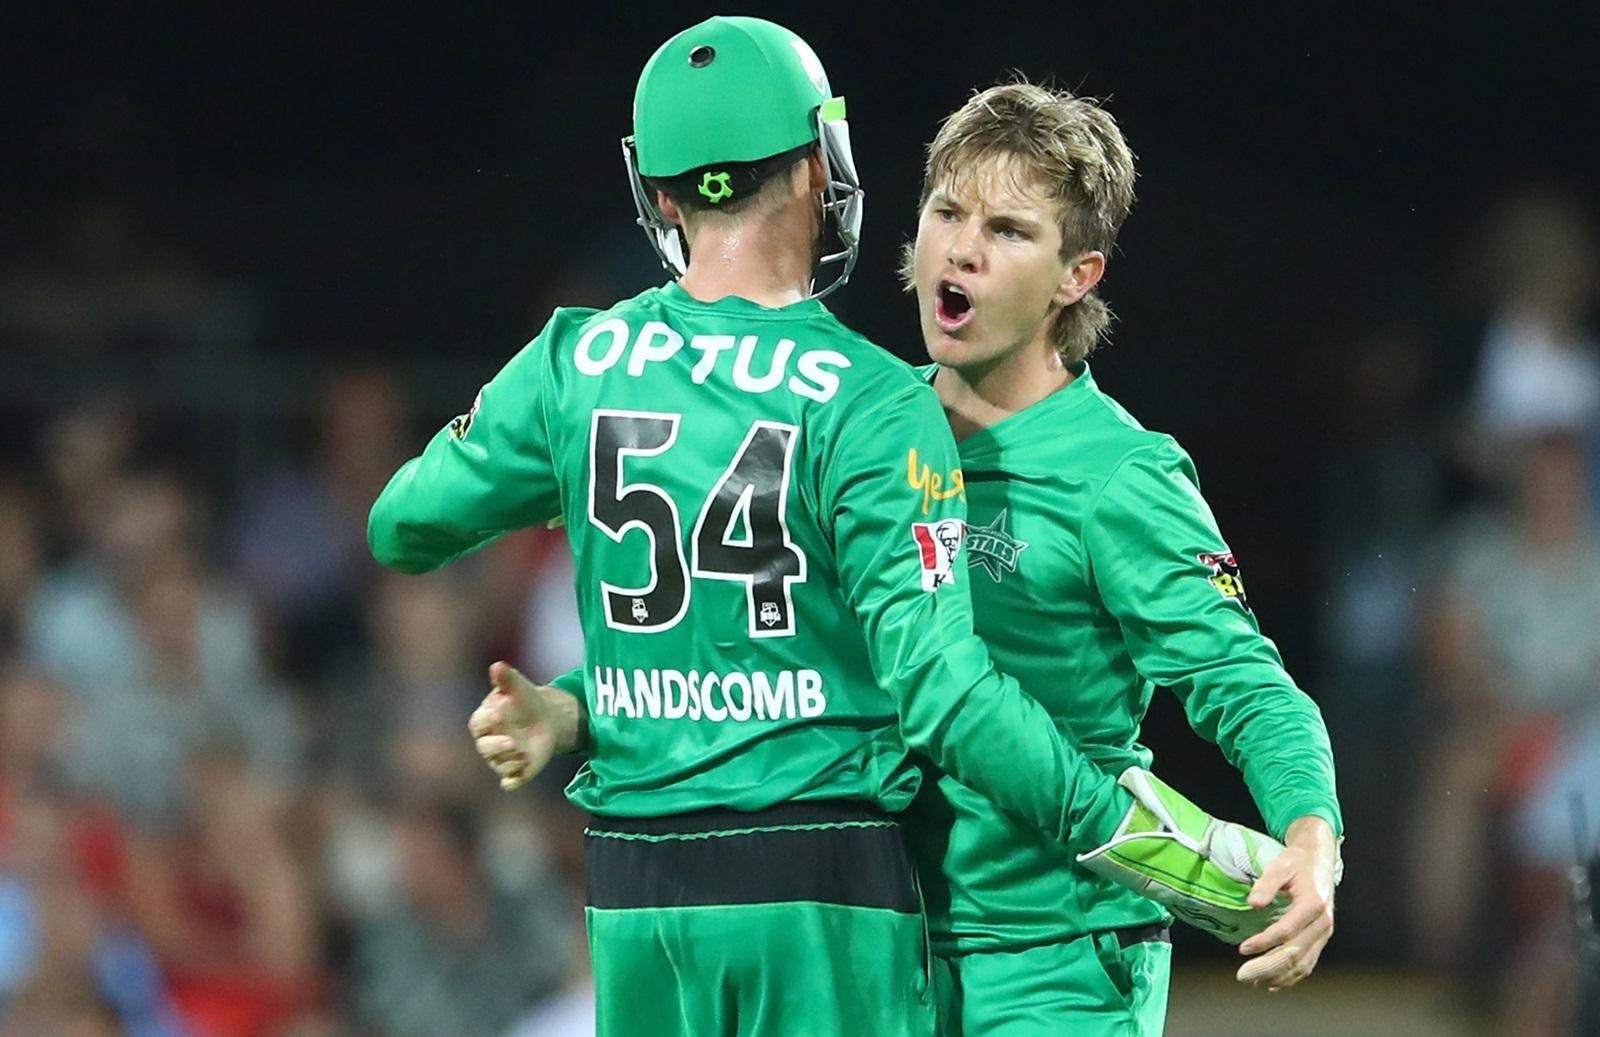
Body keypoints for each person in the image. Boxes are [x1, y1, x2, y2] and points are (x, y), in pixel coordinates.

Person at [369, 17, 1150, 1036]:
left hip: (636, 891)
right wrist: (1142, 841)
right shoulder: (878, 400)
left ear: (661, 194)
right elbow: (941, 687)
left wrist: (562, 460)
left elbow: (402, 525)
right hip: (820, 880)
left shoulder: (574, 363)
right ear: (820, 164)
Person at [898, 82, 1345, 1035]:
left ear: (1077, 275)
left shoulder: (1119, 475)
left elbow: (1245, 683)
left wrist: (1313, 836)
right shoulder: (866, 431)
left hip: (1058, 964)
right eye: (947, 211)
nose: (964, 248)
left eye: (1009, 230)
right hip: (881, 951)